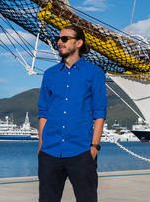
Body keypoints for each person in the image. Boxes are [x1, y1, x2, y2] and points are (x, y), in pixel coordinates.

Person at [37, 25, 107, 202]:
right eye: (59, 39)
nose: (59, 42)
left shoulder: (94, 73)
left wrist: (94, 147)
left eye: (65, 39)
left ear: (78, 43)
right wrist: (41, 146)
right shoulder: (50, 74)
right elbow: (43, 112)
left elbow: (99, 112)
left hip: (81, 151)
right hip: (50, 151)